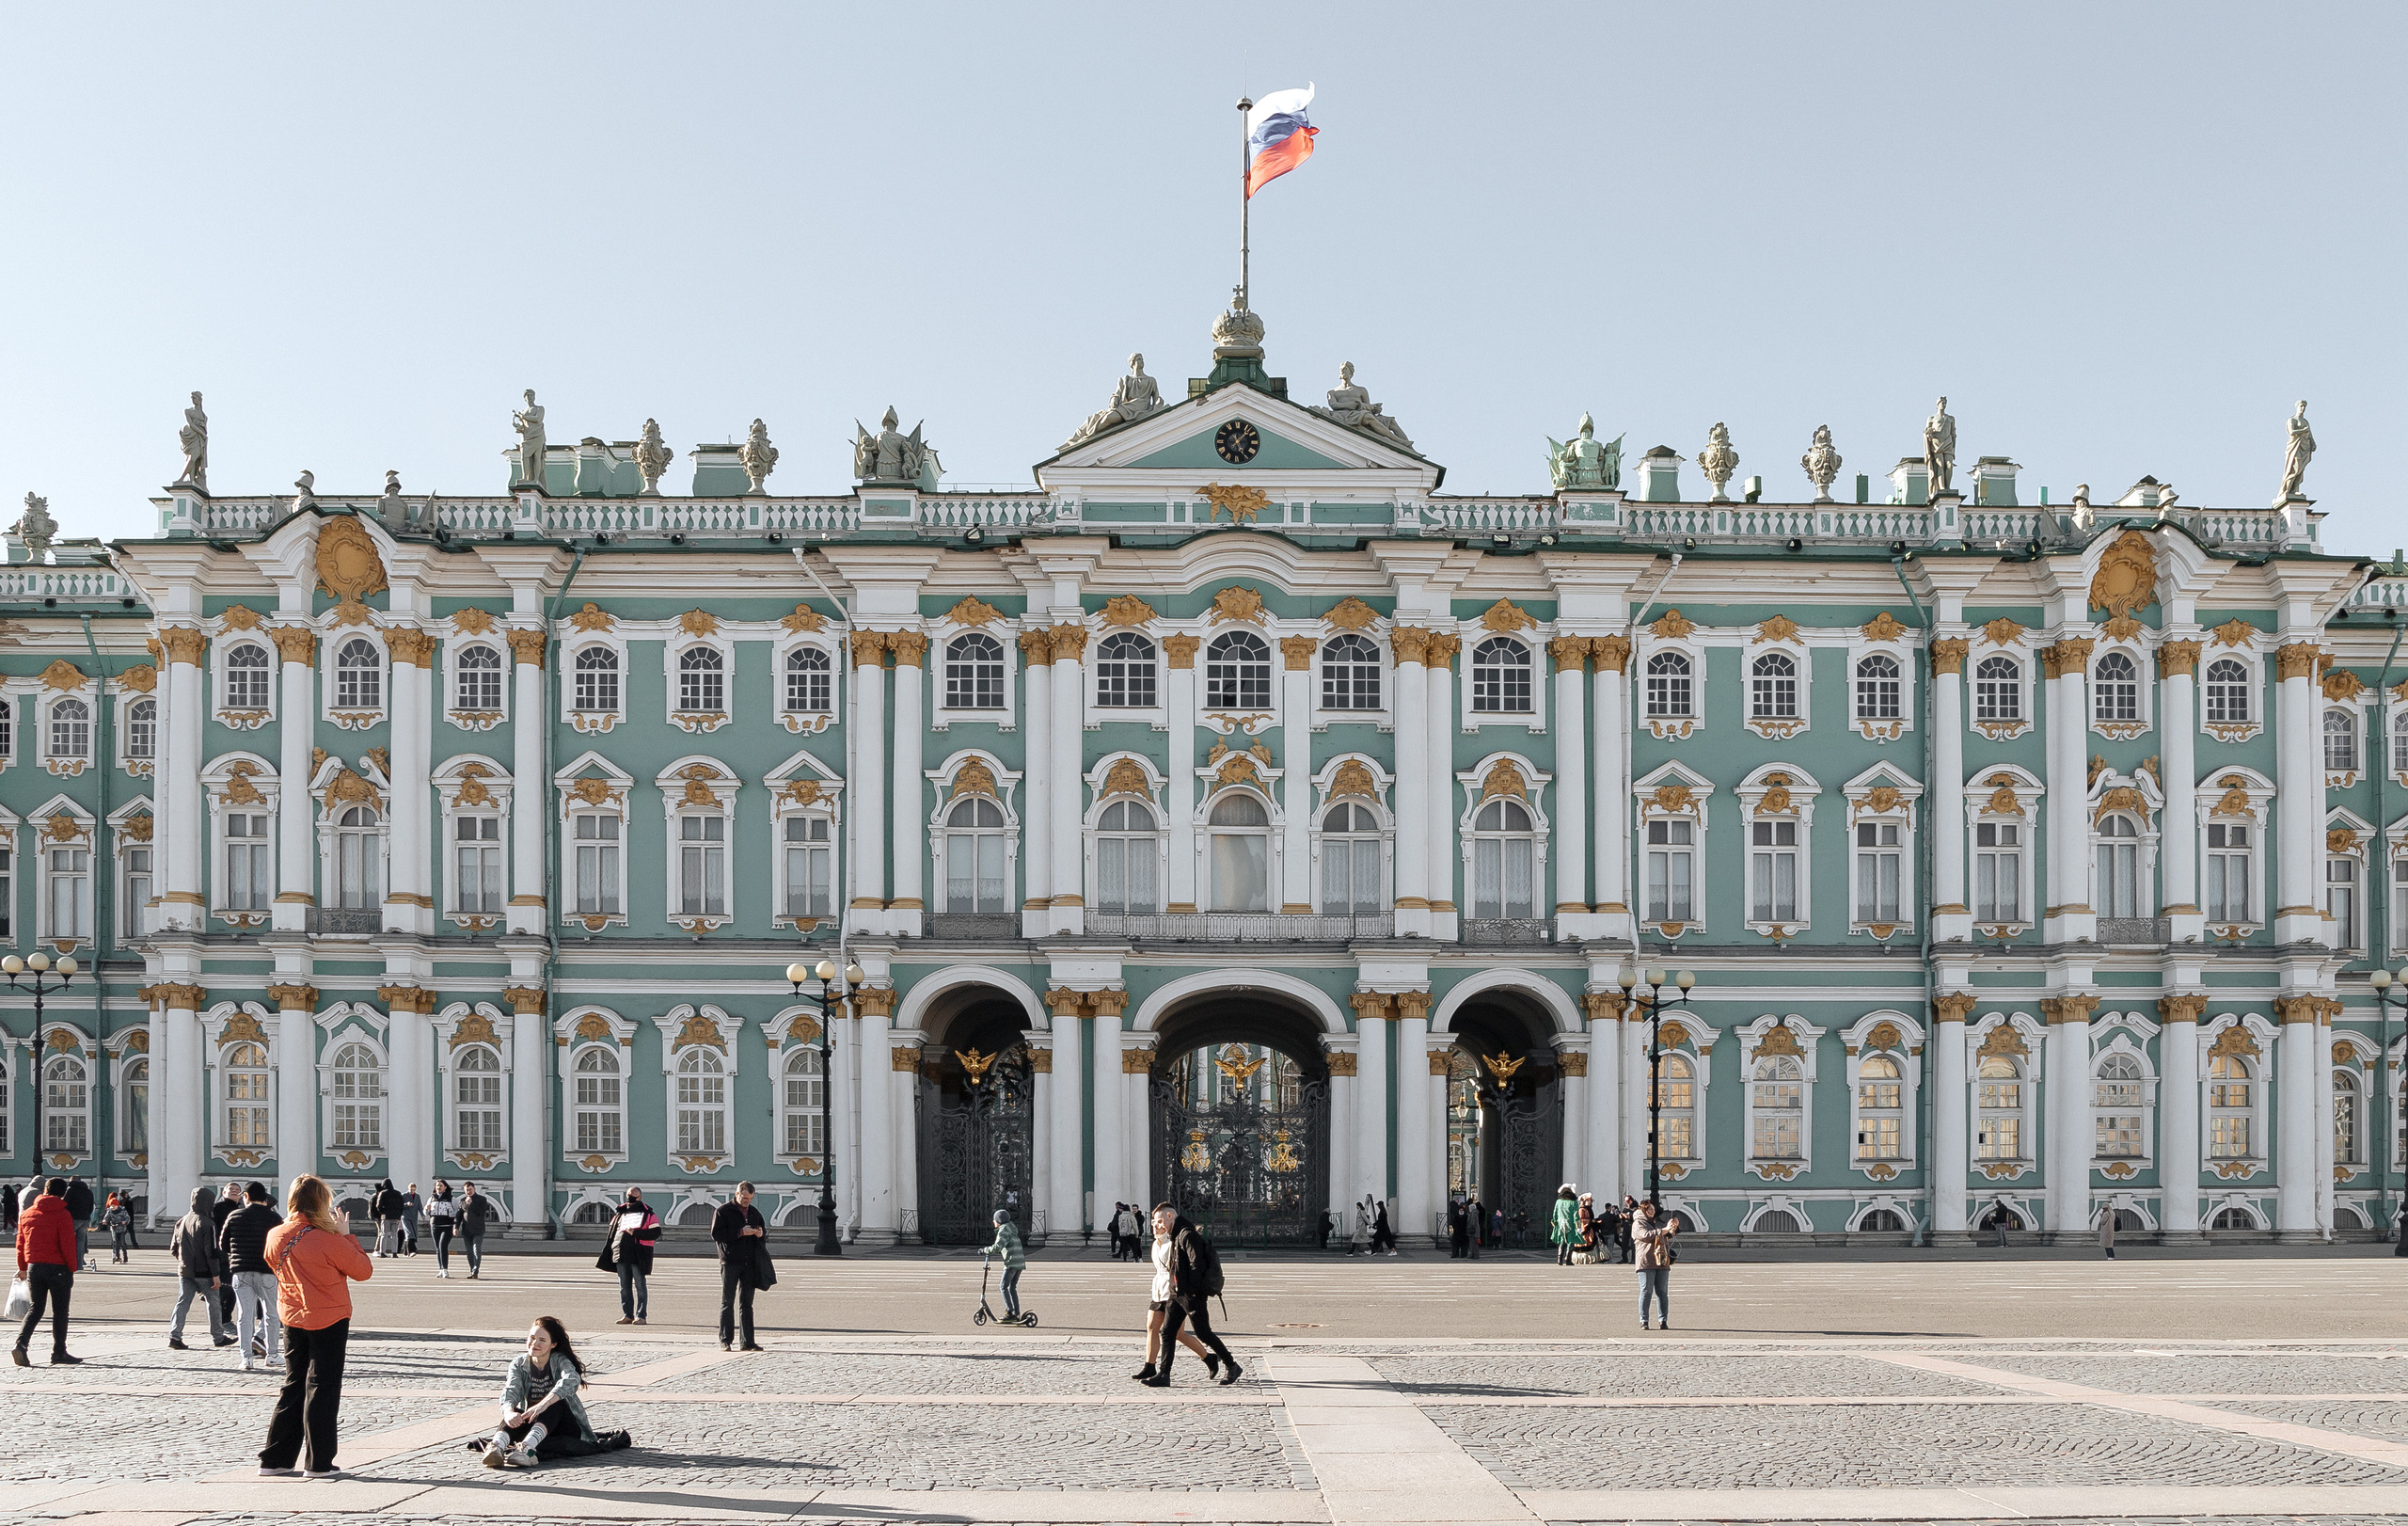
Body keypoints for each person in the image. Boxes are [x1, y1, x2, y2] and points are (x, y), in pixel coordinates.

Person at [259, 1175, 372, 1478]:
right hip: (329, 1317)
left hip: (293, 1316)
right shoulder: (326, 1238)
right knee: (323, 1388)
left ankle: (275, 1459)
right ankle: (319, 1462)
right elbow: (363, 1271)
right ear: (321, 1203)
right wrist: (346, 1235)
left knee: (293, 1385)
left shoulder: (276, 1235)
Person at [469, 1317, 634, 1469]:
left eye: (542, 1340)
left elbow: (571, 1379)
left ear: (553, 1345)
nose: (535, 1344)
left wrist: (543, 1404)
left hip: (566, 1426)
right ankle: (496, 1448)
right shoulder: (519, 1363)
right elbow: (512, 1389)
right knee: (517, 1414)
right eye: (532, 1338)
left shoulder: (559, 1360)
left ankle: (527, 1450)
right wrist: (509, 1412)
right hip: (536, 1423)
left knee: (556, 1403)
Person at [1143, 1204, 1241, 1388]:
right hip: (1177, 1293)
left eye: (1161, 1221)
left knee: (1204, 1333)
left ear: (1170, 1216)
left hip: (1190, 1294)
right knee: (1167, 1332)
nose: (1160, 1225)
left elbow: (1197, 1264)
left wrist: (1193, 1291)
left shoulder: (1187, 1235)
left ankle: (1232, 1365)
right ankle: (1164, 1374)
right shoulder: (1176, 1234)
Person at [12, 1176, 80, 1365]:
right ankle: (59, 1351)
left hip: (34, 1267)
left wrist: (22, 1267)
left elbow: (20, 1244)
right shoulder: (62, 1214)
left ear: (45, 1191)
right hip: (58, 1267)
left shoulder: (27, 1214)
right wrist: (72, 1267)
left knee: (36, 1308)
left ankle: (21, 1344)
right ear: (63, 1193)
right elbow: (67, 1244)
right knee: (60, 1311)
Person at [221, 1181, 284, 1372]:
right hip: (267, 1271)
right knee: (271, 1314)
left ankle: (246, 1358)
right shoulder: (274, 1218)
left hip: (241, 1271)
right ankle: (272, 1354)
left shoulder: (234, 1215)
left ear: (246, 1197)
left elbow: (223, 1244)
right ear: (264, 1198)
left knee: (244, 1316)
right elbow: (280, 1245)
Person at [167, 1185, 234, 1351]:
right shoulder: (208, 1224)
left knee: (182, 1303)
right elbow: (211, 1252)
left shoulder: (181, 1221)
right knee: (214, 1303)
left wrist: (185, 1261)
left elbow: (173, 1249)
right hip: (205, 1272)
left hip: (185, 1270)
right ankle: (218, 1337)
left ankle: (175, 1336)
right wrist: (216, 1274)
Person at [710, 1182, 774, 1352]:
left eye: (750, 1199)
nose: (747, 1201)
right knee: (727, 1302)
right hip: (730, 1262)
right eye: (745, 1198)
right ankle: (725, 1340)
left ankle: (747, 1341)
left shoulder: (754, 1212)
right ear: (737, 1194)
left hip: (749, 1262)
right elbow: (716, 1234)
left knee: (747, 1303)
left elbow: (762, 1231)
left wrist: (760, 1233)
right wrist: (740, 1232)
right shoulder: (723, 1211)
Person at [600, 1187, 658, 1326]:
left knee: (640, 1287)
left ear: (640, 1198)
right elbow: (612, 1232)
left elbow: (656, 1232)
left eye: (633, 1196)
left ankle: (641, 1316)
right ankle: (627, 1315)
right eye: (628, 1195)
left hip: (638, 1254)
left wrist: (636, 1233)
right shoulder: (620, 1213)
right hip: (620, 1254)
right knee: (624, 1287)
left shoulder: (648, 1214)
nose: (630, 1198)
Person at [1633, 1199, 1676, 1331]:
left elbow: (1666, 1234)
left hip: (1661, 1262)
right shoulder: (1638, 1223)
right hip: (1646, 1262)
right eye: (1649, 1209)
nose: (1652, 1211)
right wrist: (1663, 1230)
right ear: (1643, 1210)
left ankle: (1663, 1320)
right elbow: (1646, 1235)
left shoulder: (1656, 1222)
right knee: (1646, 1291)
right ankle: (1644, 1320)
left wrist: (1672, 1227)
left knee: (1662, 1292)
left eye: (1653, 1209)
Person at [980, 1208, 1026, 1321]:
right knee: (1012, 1287)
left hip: (1011, 1262)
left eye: (994, 1220)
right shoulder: (1012, 1229)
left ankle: (1010, 1312)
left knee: (1003, 1286)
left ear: (998, 1221)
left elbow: (997, 1247)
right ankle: (1017, 1312)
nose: (993, 1222)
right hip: (1019, 1262)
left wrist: (984, 1250)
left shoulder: (1003, 1231)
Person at [213, 1183, 245, 1326]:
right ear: (223, 1192)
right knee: (226, 1288)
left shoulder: (241, 1209)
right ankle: (222, 1319)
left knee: (233, 1288)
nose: (234, 1192)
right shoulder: (218, 1208)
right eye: (231, 1189)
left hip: (236, 1254)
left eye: (237, 1190)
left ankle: (225, 1318)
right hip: (222, 1254)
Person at [457, 1182, 496, 1279]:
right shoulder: (462, 1200)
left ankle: (476, 1270)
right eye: (467, 1190)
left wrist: (471, 1204)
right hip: (466, 1230)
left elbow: (481, 1213)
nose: (469, 1192)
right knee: (469, 1252)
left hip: (478, 1229)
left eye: (470, 1190)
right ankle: (472, 1270)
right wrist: (456, 1227)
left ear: (474, 1189)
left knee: (476, 1249)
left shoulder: (481, 1199)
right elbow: (459, 1215)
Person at [426, 1180, 458, 1278]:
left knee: (442, 1245)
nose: (439, 1188)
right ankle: (440, 1269)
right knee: (437, 1248)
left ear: (445, 1187)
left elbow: (457, 1211)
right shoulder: (432, 1198)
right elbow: (426, 1212)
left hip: (447, 1226)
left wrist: (448, 1214)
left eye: (441, 1186)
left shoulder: (451, 1198)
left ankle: (445, 1269)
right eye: (437, 1186)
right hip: (435, 1225)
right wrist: (427, 1209)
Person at [65, 1176, 95, 1271]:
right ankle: (79, 1265)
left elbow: (65, 1204)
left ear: (71, 1181)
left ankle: (68, 1264)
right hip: (85, 1219)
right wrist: (87, 1216)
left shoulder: (70, 1190)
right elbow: (91, 1206)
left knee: (67, 1240)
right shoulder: (88, 1191)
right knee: (80, 1243)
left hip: (73, 1219)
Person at [371, 1179, 404, 1258]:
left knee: (384, 1234)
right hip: (396, 1217)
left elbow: (378, 1205)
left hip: (385, 1217)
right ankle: (394, 1253)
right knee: (394, 1235)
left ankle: (382, 1251)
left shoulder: (383, 1193)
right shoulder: (398, 1193)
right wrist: (399, 1214)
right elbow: (402, 1205)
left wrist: (382, 1212)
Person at [1550, 1185, 1579, 1266]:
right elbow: (1576, 1215)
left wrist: (1554, 1221)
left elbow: (1555, 1212)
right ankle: (1568, 1259)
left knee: (1562, 1241)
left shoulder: (1558, 1202)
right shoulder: (1573, 1202)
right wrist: (1578, 1224)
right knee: (1570, 1241)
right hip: (1570, 1224)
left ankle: (1559, 1258)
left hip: (1560, 1224)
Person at [103, 1193, 134, 1264]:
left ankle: (125, 1256)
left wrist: (124, 1222)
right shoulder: (110, 1211)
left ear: (117, 1205)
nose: (113, 1207)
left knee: (122, 1243)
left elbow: (127, 1218)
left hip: (122, 1228)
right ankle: (117, 1256)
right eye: (112, 1206)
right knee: (115, 1242)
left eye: (114, 1206)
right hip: (114, 1228)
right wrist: (105, 1221)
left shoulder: (122, 1211)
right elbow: (106, 1218)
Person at [401, 1184, 423, 1257]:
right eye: (411, 1189)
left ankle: (405, 1252)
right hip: (406, 1217)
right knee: (410, 1233)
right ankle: (412, 1250)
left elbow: (420, 1206)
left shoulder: (417, 1196)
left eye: (413, 1189)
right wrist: (407, 1204)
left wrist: (422, 1215)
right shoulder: (404, 1195)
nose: (412, 1191)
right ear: (408, 1188)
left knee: (413, 1233)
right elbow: (400, 1205)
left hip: (414, 1217)